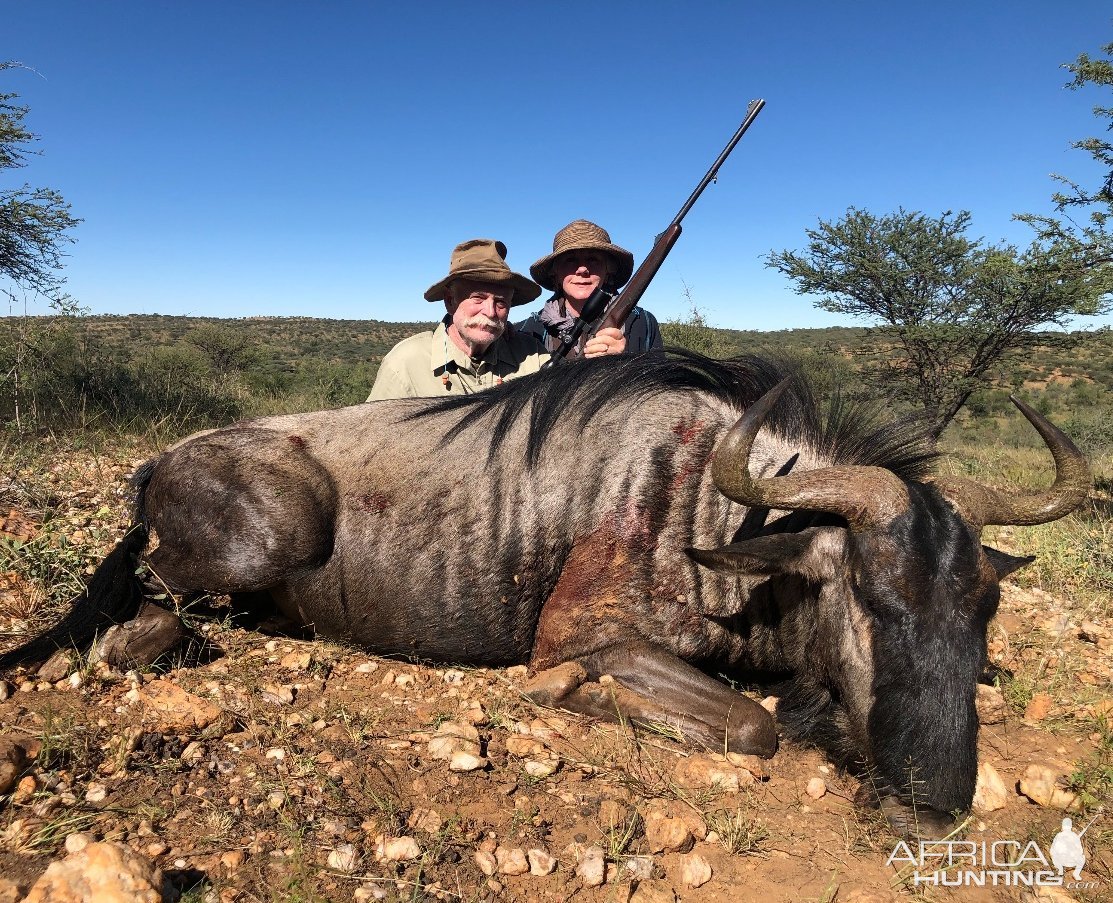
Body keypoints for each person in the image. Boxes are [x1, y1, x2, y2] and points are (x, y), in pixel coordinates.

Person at [368, 238, 626, 400]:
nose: (490, 312)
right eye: (477, 298)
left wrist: (610, 367)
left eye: (501, 302)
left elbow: (570, 405)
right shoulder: (406, 363)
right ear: (450, 301)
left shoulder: (531, 355)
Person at [517, 220, 663, 356]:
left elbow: (660, 382)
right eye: (570, 260)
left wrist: (623, 363)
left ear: (609, 270)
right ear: (555, 273)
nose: (582, 269)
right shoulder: (529, 330)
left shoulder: (643, 323)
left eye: (593, 259)